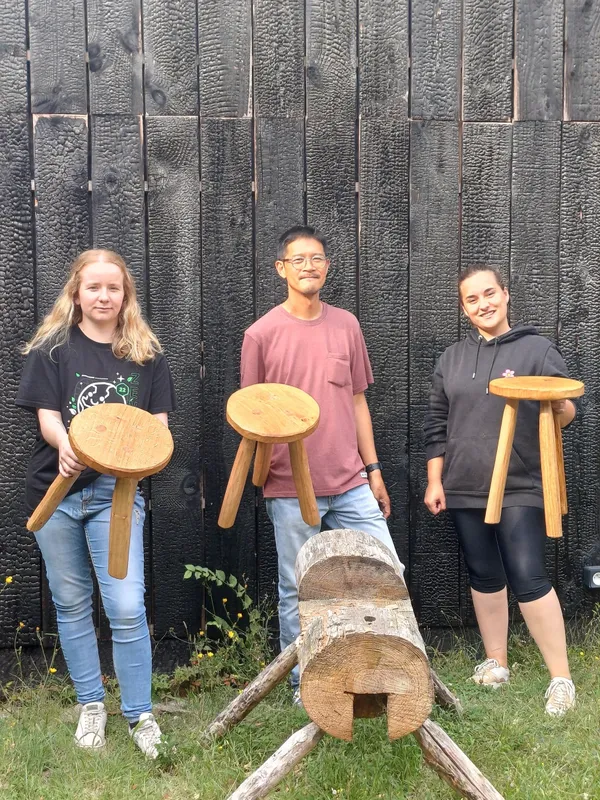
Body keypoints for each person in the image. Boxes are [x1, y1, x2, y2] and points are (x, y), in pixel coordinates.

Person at [16, 249, 176, 755]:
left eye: (113, 288)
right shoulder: (53, 349)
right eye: (94, 287)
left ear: (125, 295)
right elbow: (48, 416)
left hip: (116, 495)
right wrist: (67, 445)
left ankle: (140, 715)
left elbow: (158, 429)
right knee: (71, 603)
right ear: (77, 293)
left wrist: (142, 458)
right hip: (56, 491)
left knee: (126, 606)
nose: (104, 296)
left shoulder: (146, 354)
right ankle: (91, 706)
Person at [240, 225, 403, 702]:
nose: (308, 266)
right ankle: (304, 686)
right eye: (298, 259)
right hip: (290, 485)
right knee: (298, 588)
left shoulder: (346, 325)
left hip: (350, 481)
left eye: (316, 259)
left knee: (387, 570)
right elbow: (251, 413)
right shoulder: (261, 335)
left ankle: (384, 673)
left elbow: (357, 402)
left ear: (327, 267)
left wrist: (373, 471)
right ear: (281, 268)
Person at [423, 264, 576, 716]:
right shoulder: (451, 358)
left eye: (489, 294)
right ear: (463, 308)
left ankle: (562, 679)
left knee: (528, 575)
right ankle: (497, 663)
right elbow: (436, 425)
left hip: (520, 483)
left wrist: (559, 405)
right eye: (472, 299)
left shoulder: (536, 349)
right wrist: (435, 480)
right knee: (484, 574)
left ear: (505, 295)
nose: (483, 304)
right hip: (465, 484)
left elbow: (567, 411)